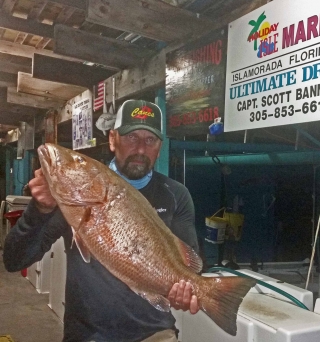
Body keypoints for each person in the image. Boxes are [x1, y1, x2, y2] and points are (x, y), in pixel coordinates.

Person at [3, 99, 200, 342]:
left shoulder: (176, 194)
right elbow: (14, 260)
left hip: (154, 334)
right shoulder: (73, 197)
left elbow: (189, 267)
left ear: (160, 146)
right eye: (131, 137)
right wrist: (40, 209)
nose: (140, 149)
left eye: (150, 140)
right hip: (87, 335)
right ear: (112, 139)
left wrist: (186, 291)